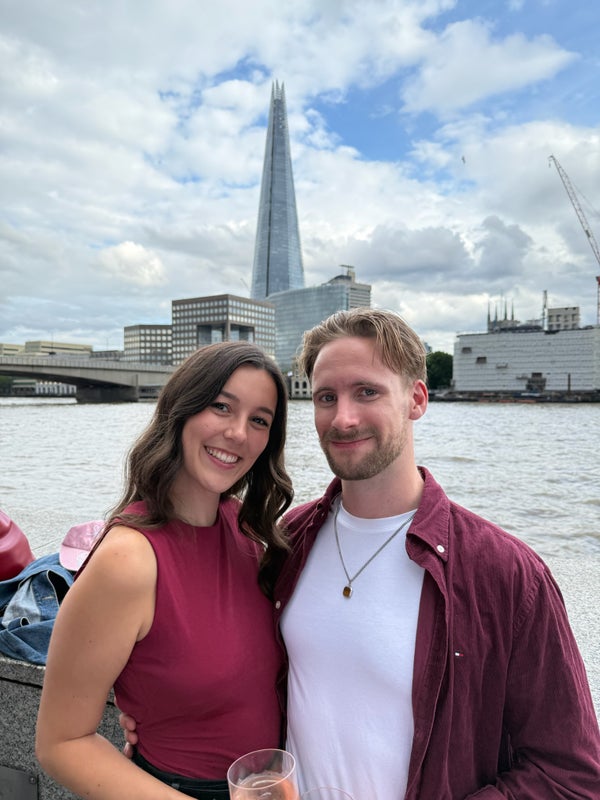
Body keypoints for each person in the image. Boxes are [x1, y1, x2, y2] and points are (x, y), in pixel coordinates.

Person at [121, 308, 600, 798]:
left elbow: (570, 775)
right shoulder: (289, 540)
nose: (343, 418)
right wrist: (159, 709)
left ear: (416, 399)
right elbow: (225, 655)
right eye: (326, 397)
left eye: (367, 392)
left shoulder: (506, 573)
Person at [36, 340, 293, 800]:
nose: (238, 433)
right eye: (221, 406)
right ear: (181, 411)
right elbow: (62, 743)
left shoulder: (249, 533)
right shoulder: (128, 560)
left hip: (266, 784)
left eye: (259, 420)